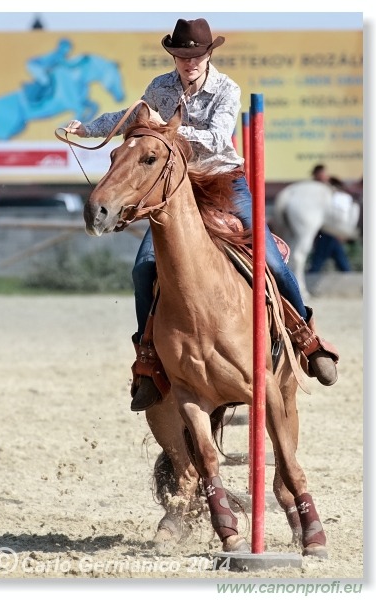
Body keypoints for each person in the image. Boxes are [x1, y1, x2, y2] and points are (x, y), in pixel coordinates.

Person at [64, 18, 339, 411]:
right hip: (178, 188)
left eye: (196, 55)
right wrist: (87, 128)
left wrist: (168, 132)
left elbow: (217, 136)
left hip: (226, 182)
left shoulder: (227, 89)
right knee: (143, 268)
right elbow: (130, 118)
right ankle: (148, 358)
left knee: (272, 262)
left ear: (208, 54)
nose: (189, 62)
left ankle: (307, 338)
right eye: (181, 55)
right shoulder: (159, 88)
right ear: (173, 55)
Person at [309, 166, 352, 274]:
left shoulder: (332, 186)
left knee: (326, 255)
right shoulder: (313, 189)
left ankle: (313, 273)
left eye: (324, 173)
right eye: (321, 174)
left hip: (331, 228)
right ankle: (347, 274)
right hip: (323, 228)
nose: (324, 176)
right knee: (330, 254)